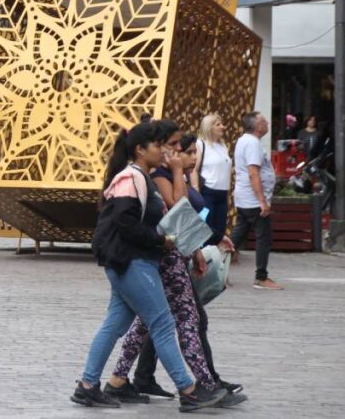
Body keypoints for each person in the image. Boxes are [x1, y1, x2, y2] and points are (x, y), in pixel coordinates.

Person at [72, 121, 225, 411]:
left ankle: (88, 385)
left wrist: (177, 243)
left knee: (115, 325)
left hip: (133, 262)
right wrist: (161, 239)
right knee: (163, 324)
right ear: (141, 150)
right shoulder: (132, 178)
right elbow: (125, 224)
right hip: (132, 262)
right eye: (159, 145)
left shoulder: (141, 176)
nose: (165, 150)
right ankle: (189, 390)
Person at [104, 123, 245, 409]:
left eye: (185, 147)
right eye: (176, 145)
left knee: (148, 323)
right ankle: (201, 386)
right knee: (188, 320)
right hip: (165, 256)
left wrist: (196, 249)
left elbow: (186, 214)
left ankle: (118, 380)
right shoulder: (156, 175)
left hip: (174, 253)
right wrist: (180, 171)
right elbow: (178, 208)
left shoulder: (164, 172)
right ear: (157, 146)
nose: (181, 151)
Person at [231, 112, 282, 290]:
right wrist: (262, 201)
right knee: (263, 238)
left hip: (246, 198)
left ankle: (213, 264)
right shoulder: (252, 143)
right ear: (257, 126)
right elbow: (254, 172)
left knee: (237, 236)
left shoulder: (244, 140)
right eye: (263, 121)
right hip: (253, 200)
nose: (267, 122)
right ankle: (261, 277)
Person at [192, 113, 232, 245]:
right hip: (207, 193)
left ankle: (215, 261)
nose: (222, 127)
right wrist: (196, 190)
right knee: (205, 230)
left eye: (222, 124)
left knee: (219, 231)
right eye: (218, 124)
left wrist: (227, 195)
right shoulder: (201, 144)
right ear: (209, 127)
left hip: (222, 194)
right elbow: (194, 169)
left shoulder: (223, 146)